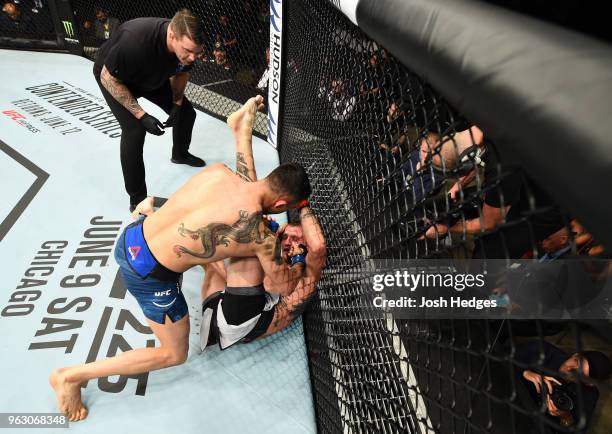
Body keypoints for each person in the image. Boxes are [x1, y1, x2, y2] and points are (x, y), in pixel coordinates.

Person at [49, 95, 312, 421]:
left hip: (131, 237)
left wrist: (242, 135)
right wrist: (300, 258)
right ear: (282, 202)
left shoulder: (219, 172)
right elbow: (285, 286)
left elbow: (247, 184)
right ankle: (70, 376)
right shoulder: (259, 236)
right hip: (148, 274)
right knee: (173, 353)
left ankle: (235, 132)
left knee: (210, 247)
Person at [198, 138, 326, 349]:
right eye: (286, 236)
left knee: (251, 229)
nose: (288, 242)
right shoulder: (273, 256)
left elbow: (319, 247)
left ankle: (242, 135)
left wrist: (302, 204)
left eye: (296, 239)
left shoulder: (308, 271)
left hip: (243, 323)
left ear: (306, 245)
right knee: (216, 257)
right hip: (218, 307)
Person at [93, 9, 207, 212]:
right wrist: (141, 115)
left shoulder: (188, 51)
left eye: (196, 53)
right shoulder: (135, 41)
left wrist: (177, 103)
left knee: (186, 112)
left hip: (151, 75)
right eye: (188, 51)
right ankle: (137, 200)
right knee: (134, 131)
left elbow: (181, 74)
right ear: (172, 35)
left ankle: (180, 153)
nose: (192, 57)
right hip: (115, 77)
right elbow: (108, 77)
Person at [516, 340, 612, 431]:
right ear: (576, 354)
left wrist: (566, 417)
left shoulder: (589, 395)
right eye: (577, 362)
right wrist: (524, 372)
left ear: (588, 384)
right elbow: (504, 354)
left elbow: (578, 429)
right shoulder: (542, 349)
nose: (571, 369)